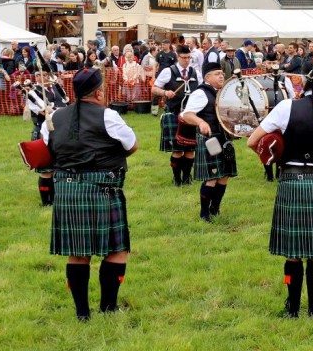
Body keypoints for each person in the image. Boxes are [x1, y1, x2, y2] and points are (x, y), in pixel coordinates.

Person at [247, 71, 313, 318]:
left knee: (293, 253)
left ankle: (292, 309)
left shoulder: (284, 107)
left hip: (291, 182)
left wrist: (278, 156)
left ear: (301, 83)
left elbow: (252, 142)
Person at [42, 68, 138, 321]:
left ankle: (82, 313)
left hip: (67, 189)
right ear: (98, 92)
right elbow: (132, 145)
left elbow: (47, 148)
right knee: (116, 250)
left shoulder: (54, 117)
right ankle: (108, 307)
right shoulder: (108, 115)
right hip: (102, 189)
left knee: (77, 253)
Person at [181, 62, 237, 222]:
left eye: (222, 74)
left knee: (225, 175)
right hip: (210, 140)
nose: (221, 76)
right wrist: (201, 122)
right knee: (212, 176)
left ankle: (215, 208)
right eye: (217, 74)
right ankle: (204, 213)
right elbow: (187, 114)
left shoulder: (222, 92)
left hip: (225, 139)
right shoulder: (201, 93)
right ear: (207, 77)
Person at [153, 45, 200, 186]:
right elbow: (154, 88)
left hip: (191, 116)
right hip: (174, 114)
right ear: (178, 57)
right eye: (184, 58)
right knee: (177, 150)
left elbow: (202, 89)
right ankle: (177, 180)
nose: (187, 60)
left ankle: (186, 179)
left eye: (189, 58)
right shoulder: (168, 71)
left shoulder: (195, 72)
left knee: (190, 149)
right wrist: (165, 93)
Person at [26, 72, 68, 206]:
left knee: (57, 168)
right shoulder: (33, 93)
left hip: (59, 131)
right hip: (42, 132)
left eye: (45, 74)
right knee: (45, 170)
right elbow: (43, 112)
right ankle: (46, 202)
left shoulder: (57, 88)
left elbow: (66, 105)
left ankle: (56, 199)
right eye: (40, 75)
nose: (43, 77)